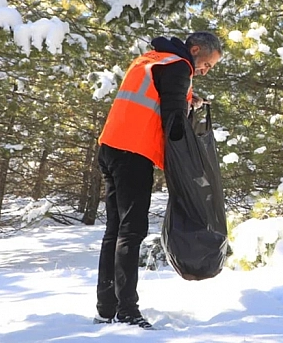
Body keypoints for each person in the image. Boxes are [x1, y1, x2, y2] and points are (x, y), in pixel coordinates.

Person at [93, 32, 222, 328]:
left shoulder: (151, 60)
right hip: (133, 153)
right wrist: (184, 163)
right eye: (207, 64)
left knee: (115, 230)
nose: (204, 70)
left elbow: (155, 97)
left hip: (111, 146)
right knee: (131, 231)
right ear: (195, 49)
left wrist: (188, 97)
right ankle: (127, 310)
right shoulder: (179, 66)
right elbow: (173, 120)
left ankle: (106, 307)